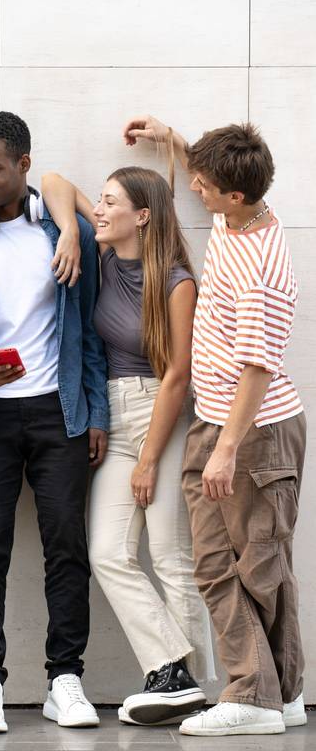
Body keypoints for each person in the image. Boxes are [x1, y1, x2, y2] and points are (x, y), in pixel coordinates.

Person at [123, 115, 307, 736]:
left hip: (249, 430)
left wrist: (226, 449)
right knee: (259, 563)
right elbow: (218, 173)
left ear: (232, 194)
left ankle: (252, 695)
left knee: (240, 564)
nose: (193, 192)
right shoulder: (241, 214)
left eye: (201, 185)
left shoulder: (261, 265)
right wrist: (174, 140)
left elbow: (258, 367)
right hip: (224, 422)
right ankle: (281, 692)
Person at [0, 111, 109, 733]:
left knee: (67, 546)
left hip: (58, 411)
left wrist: (94, 411)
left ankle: (66, 678)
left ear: (23, 165)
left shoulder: (70, 235)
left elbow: (87, 333)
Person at [42, 166, 216, 726]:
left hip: (161, 417)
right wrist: (69, 229)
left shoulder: (177, 280)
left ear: (141, 216)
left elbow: (178, 377)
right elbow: (54, 181)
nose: (101, 208)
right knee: (109, 553)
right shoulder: (105, 255)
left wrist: (147, 460)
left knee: (170, 557)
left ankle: (191, 690)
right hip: (113, 416)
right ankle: (175, 671)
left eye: (110, 201)